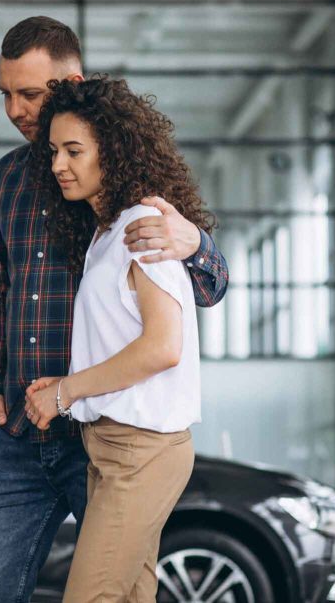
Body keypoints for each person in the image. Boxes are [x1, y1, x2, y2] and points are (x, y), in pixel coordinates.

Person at [0, 17, 229, 603]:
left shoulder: (124, 190)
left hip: (95, 429)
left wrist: (197, 246)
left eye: (29, 93)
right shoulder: (5, 180)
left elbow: (200, 295)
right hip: (16, 433)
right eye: (5, 93)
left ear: (70, 83)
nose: (14, 109)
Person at [23, 75, 210, 601]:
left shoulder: (144, 226)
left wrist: (67, 390)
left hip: (142, 451)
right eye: (55, 150)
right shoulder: (105, 232)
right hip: (108, 446)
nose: (59, 163)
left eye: (74, 150)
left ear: (115, 149)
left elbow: (161, 347)